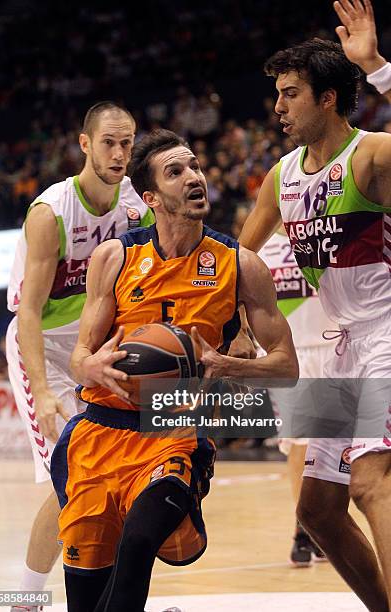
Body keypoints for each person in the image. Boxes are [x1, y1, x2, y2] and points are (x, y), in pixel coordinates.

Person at [50, 128, 298, 612]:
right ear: (151, 198)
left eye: (195, 167)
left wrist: (225, 364)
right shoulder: (115, 257)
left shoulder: (240, 264)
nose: (193, 178)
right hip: (100, 434)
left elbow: (286, 366)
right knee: (86, 597)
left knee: (139, 542)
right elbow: (80, 357)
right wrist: (92, 366)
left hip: (174, 434)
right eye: (176, 172)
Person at [239, 1, 391, 608]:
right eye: (277, 93)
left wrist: (377, 67)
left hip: (384, 334)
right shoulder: (282, 177)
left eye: (291, 93)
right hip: (332, 351)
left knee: (372, 484)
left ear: (328, 98)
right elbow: (236, 258)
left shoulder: (372, 155)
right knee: (318, 510)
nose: (278, 106)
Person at [5, 101, 155, 612]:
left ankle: (108, 596)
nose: (118, 153)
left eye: (127, 144)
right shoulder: (51, 212)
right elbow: (28, 312)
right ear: (85, 144)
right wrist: (43, 392)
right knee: (72, 476)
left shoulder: (137, 205)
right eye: (109, 142)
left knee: (119, 475)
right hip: (43, 346)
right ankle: (25, 598)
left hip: (97, 348)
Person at [258, 227, 333, 566]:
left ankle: (326, 526)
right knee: (299, 443)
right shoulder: (260, 249)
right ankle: (303, 528)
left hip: (338, 348)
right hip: (292, 355)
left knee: (336, 446)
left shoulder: (327, 234)